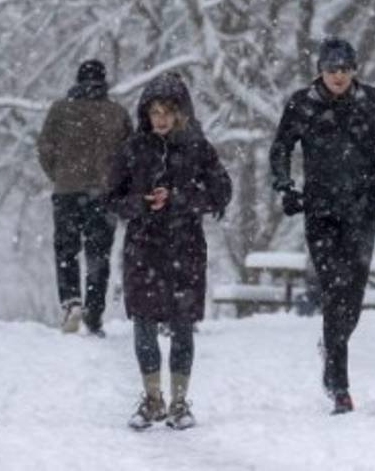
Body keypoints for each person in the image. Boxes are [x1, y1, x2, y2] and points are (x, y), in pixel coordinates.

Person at [269, 37, 375, 414]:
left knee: (353, 296)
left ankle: (332, 344)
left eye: (345, 69)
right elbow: (281, 147)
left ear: (354, 71)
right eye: (332, 69)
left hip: (361, 208)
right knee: (334, 289)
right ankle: (339, 386)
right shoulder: (302, 104)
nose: (338, 76)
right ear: (320, 69)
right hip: (320, 210)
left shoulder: (371, 101)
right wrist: (285, 186)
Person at [105, 72, 231, 430]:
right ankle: (152, 398)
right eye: (154, 111)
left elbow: (221, 192)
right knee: (143, 324)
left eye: (167, 111)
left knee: (182, 325)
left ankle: (179, 402)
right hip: (143, 249)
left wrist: (178, 199)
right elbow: (111, 198)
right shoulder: (132, 149)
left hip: (185, 247)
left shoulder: (198, 149)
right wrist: (140, 204)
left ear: (181, 113)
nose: (159, 118)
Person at [37, 59, 132, 336]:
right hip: (104, 194)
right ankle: (94, 310)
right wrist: (116, 183)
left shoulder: (60, 111)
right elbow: (129, 155)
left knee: (67, 250)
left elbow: (45, 148)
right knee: (98, 254)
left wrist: (59, 174)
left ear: (78, 81)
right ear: (104, 82)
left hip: (67, 190)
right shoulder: (117, 114)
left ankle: (71, 302)